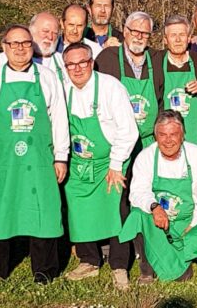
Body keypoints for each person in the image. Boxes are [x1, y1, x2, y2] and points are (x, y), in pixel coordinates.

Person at [0, 24, 69, 283]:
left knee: (43, 211)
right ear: (4, 47)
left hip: (39, 159)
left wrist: (61, 156)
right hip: (1, 159)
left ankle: (45, 271)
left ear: (31, 46)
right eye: (14, 44)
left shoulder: (47, 77)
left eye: (25, 43)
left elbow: (59, 118)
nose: (20, 49)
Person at [61, 42, 138, 290]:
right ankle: (89, 261)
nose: (77, 68)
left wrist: (116, 164)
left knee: (116, 212)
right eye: (71, 64)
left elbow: (128, 130)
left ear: (91, 62)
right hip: (78, 163)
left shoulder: (110, 87)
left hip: (110, 161)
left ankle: (119, 266)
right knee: (78, 210)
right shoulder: (62, 89)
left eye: (82, 62)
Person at [120, 111, 197, 281]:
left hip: (188, 223)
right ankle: (147, 269)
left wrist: (193, 224)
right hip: (158, 223)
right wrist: (154, 206)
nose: (168, 140)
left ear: (183, 135)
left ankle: (181, 261)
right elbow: (138, 192)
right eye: (162, 135)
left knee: (182, 275)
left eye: (173, 134)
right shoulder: (146, 156)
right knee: (138, 214)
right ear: (155, 136)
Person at [95, 11, 163, 148]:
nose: (139, 37)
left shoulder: (156, 58)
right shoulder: (107, 58)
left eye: (145, 33)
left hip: (148, 142)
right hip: (116, 143)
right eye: (135, 31)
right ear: (125, 31)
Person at [154, 15, 197, 147]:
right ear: (165, 40)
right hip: (167, 136)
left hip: (194, 135)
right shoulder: (157, 60)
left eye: (182, 35)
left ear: (189, 38)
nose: (178, 40)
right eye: (173, 35)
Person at [28, 12, 65, 82]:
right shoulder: (15, 59)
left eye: (55, 33)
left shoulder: (63, 61)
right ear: (31, 31)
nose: (50, 37)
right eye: (45, 31)